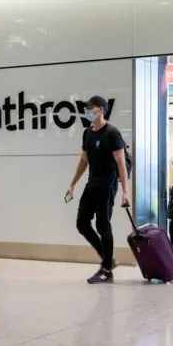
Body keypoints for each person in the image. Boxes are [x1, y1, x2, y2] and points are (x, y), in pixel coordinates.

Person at [67, 96, 130, 284]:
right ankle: (107, 258)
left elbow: (121, 164)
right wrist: (73, 183)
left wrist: (125, 192)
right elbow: (84, 160)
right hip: (92, 184)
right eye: (87, 107)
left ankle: (106, 270)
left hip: (107, 186)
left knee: (103, 226)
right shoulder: (87, 133)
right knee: (82, 223)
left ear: (101, 109)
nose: (88, 110)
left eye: (91, 107)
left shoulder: (112, 133)